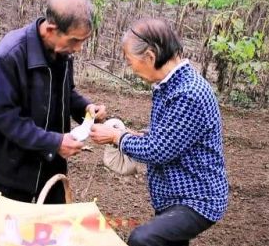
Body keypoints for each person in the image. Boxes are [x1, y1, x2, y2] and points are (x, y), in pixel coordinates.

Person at [89, 18, 229, 246]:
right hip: (174, 195)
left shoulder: (187, 94)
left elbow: (158, 150)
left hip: (196, 198)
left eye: (130, 61)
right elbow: (167, 136)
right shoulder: (169, 85)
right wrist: (131, 135)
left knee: (143, 239)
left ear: (150, 57)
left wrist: (116, 137)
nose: (131, 68)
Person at [0, 0, 107, 205]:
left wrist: (86, 109)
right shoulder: (10, 55)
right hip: (13, 166)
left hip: (50, 160)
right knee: (15, 232)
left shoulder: (62, 51)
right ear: (51, 29)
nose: (78, 48)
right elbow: (6, 117)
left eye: (83, 41)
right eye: (75, 40)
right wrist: (55, 142)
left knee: (51, 228)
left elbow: (66, 92)